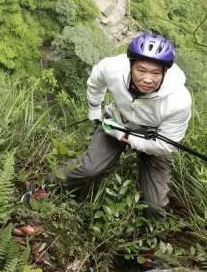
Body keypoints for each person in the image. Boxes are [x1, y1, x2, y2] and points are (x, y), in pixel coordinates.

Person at [26, 32, 191, 220]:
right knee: (89, 168)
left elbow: (166, 145)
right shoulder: (113, 68)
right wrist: (95, 111)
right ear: (130, 65)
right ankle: (47, 188)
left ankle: (151, 240)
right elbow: (95, 82)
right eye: (141, 70)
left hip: (153, 136)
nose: (147, 79)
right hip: (118, 119)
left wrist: (125, 137)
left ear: (164, 72)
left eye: (155, 73)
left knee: (155, 205)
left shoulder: (178, 100)